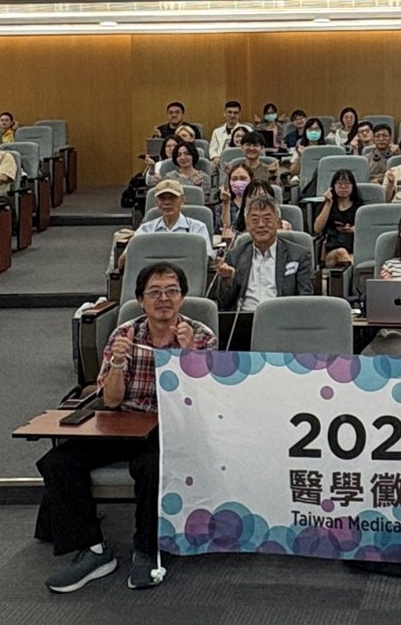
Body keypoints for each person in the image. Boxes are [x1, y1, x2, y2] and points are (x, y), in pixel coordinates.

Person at [38, 262, 216, 593]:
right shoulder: (125, 334)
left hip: (172, 426)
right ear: (140, 300)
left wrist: (188, 355)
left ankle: (146, 551)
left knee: (150, 466)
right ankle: (93, 551)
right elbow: (112, 400)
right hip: (125, 421)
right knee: (58, 462)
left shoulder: (201, 335)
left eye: (172, 291)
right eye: (155, 292)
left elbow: (205, 403)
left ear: (182, 297)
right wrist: (118, 363)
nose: (164, 299)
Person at [212, 194, 313, 311]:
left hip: (282, 317)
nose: (261, 225)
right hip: (245, 317)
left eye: (267, 219)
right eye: (255, 220)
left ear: (278, 223)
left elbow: (305, 300)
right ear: (247, 225)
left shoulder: (298, 255)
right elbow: (223, 304)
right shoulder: (234, 256)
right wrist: (228, 280)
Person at [129, 179, 214, 258]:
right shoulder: (146, 229)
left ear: (182, 200)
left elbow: (206, 259)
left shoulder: (198, 228)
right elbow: (127, 257)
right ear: (156, 202)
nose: (167, 202)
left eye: (172, 198)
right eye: (162, 198)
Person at [314, 169, 365, 267]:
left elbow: (367, 230)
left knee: (353, 258)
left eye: (347, 183)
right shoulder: (326, 205)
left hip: (355, 250)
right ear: (333, 186)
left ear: (353, 186)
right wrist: (328, 204)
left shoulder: (360, 208)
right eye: (339, 183)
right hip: (332, 252)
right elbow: (317, 229)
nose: (343, 187)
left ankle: (351, 272)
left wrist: (355, 229)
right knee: (341, 253)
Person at [216, 163, 254, 237]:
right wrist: (226, 203)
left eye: (243, 178)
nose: (238, 182)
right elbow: (222, 230)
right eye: (234, 179)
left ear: (251, 180)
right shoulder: (220, 207)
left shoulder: (259, 205)